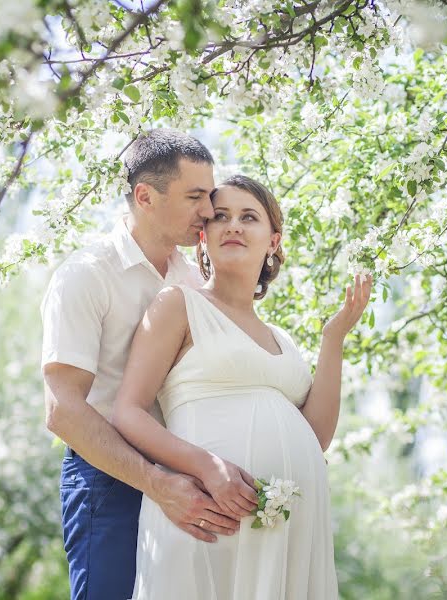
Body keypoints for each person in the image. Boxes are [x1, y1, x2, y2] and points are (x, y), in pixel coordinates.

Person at [112, 175, 373, 599]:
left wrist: (333, 339)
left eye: (248, 217)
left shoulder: (283, 340)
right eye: (220, 217)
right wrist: (207, 468)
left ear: (273, 240)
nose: (233, 225)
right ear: (203, 238)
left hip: (284, 532)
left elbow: (316, 437)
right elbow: (128, 412)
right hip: (208, 513)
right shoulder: (178, 304)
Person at [41, 129, 242, 600]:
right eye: (195, 196)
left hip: (189, 480)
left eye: (209, 196)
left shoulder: (196, 281)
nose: (209, 212)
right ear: (145, 196)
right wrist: (156, 483)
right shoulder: (85, 275)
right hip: (107, 478)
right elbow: (62, 409)